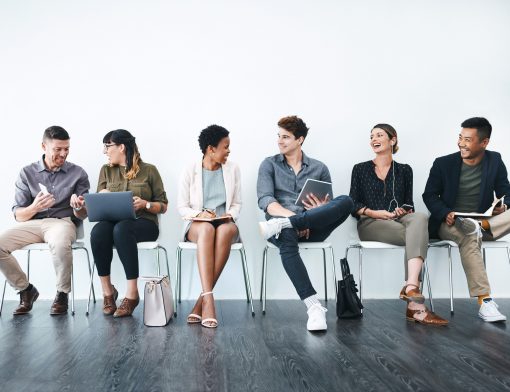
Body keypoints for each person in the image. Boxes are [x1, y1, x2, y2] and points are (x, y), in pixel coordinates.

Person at [257, 115, 353, 332]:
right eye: (279, 136)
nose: (280, 141)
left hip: (310, 225)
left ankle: (290, 223)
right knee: (287, 234)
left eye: (286, 137)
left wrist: (318, 210)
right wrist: (295, 219)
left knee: (346, 201)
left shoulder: (319, 168)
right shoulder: (269, 164)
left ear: (300, 140)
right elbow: (266, 202)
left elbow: (328, 208)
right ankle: (314, 307)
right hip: (279, 223)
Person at [349, 124, 448, 325]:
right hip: (370, 222)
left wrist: (402, 210)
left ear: (392, 140)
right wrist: (373, 212)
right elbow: (353, 204)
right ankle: (416, 307)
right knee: (419, 236)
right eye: (371, 136)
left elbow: (409, 203)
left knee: (420, 218)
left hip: (399, 219)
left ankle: (410, 286)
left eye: (379, 135)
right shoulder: (360, 169)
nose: (373, 139)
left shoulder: (404, 170)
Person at [423, 117, 509, 322]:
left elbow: (506, 191)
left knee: (476, 229)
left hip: (486, 223)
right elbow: (430, 195)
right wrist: (445, 213)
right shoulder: (443, 163)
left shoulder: (495, 160)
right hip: (452, 222)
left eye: (468, 139)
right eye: (460, 137)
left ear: (484, 142)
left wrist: (503, 206)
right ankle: (485, 301)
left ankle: (484, 225)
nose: (461, 143)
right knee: (470, 232)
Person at [0, 126, 89, 315]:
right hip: (33, 223)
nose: (63, 153)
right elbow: (18, 215)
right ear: (44, 146)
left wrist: (79, 207)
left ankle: (62, 294)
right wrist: (35, 207)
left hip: (62, 222)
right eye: (58, 149)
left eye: (66, 149)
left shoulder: (78, 173)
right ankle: (26, 290)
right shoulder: (27, 173)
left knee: (59, 242)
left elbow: (83, 215)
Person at [81, 130, 168, 318]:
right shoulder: (106, 170)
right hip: (113, 224)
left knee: (122, 229)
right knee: (98, 233)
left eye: (108, 146)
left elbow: (163, 206)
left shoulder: (149, 170)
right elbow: (99, 206)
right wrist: (100, 196)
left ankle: (132, 293)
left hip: (144, 224)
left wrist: (146, 204)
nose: (105, 151)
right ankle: (108, 292)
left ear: (121, 147)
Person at [177, 125, 241, 328]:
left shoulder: (233, 169)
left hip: (224, 223)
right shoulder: (190, 169)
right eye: (225, 147)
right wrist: (200, 215)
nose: (229, 151)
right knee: (206, 229)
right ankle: (209, 302)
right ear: (210, 149)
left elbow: (237, 203)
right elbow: (182, 207)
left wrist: (229, 215)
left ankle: (202, 300)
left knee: (225, 230)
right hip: (198, 225)